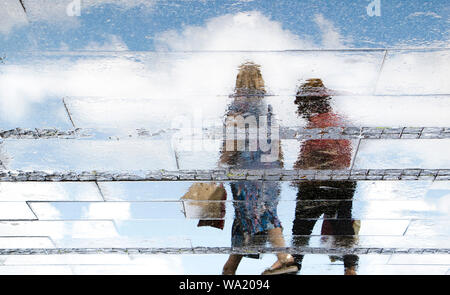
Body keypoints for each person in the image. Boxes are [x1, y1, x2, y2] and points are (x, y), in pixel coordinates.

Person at [220, 62, 298, 275]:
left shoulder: (238, 106)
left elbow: (232, 141)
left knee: (259, 211)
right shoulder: (267, 107)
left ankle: (284, 257)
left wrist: (220, 165)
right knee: (249, 215)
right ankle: (230, 267)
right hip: (270, 168)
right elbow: (276, 139)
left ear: (239, 81)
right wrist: (279, 164)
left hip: (246, 169)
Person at [291, 78, 359, 275]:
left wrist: (297, 172)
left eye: (301, 103)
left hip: (316, 184)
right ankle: (350, 268)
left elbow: (307, 161)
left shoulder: (315, 125)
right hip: (342, 182)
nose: (299, 108)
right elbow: (345, 156)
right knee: (343, 227)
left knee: (301, 230)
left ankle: (294, 263)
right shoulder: (339, 120)